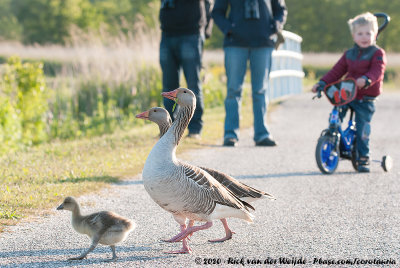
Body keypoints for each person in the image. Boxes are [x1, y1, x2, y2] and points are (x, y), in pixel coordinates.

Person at [312, 12, 386, 173]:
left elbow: (377, 71)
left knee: (362, 129)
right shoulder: (349, 54)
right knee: (335, 116)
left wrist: (366, 79)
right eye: (360, 33)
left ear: (375, 34)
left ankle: (363, 157)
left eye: (368, 33)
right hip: (347, 94)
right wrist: (322, 83)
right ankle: (333, 137)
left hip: (366, 97)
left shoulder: (377, 53)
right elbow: (336, 71)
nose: (364, 37)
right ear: (354, 36)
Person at [212, 0, 287, 147]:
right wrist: (229, 29)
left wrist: (276, 26)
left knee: (260, 91)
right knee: (233, 90)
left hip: (263, 43)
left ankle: (262, 134)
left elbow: (280, 10)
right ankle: (230, 134)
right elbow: (217, 12)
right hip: (235, 43)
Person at [159, 0, 213, 139]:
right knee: (168, 85)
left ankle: (195, 129)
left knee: (193, 84)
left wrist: (205, 31)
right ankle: (169, 130)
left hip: (191, 32)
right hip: (167, 33)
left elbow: (209, 3)